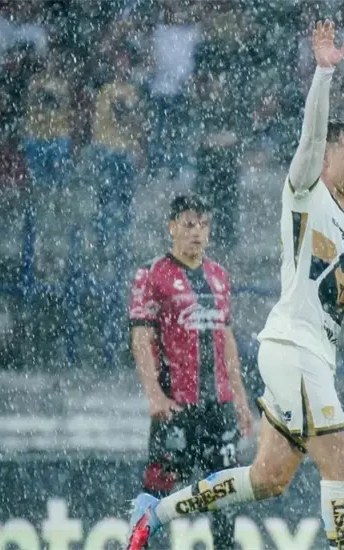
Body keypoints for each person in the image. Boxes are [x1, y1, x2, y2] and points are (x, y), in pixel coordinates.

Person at [125, 20, 344, 550]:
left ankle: (156, 511)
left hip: (315, 352)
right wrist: (323, 75)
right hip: (293, 347)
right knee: (342, 461)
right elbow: (312, 133)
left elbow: (335, 269)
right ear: (328, 158)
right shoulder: (306, 191)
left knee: (267, 478)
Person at [127, 193, 255, 548]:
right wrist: (154, 394)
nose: (197, 232)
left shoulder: (219, 276)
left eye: (203, 225)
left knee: (225, 500)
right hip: (177, 408)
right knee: (156, 492)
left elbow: (226, 339)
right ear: (172, 228)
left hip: (219, 409)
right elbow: (141, 336)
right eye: (188, 224)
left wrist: (240, 399)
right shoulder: (152, 274)